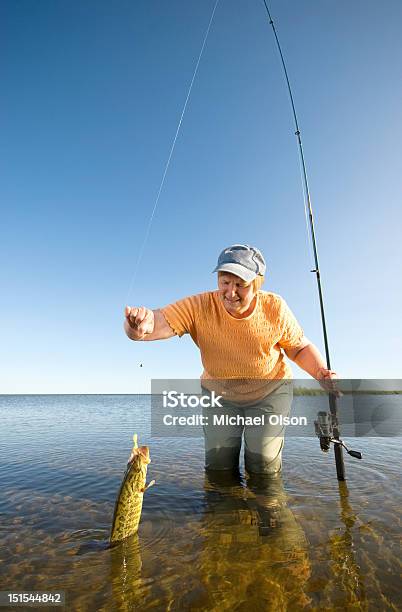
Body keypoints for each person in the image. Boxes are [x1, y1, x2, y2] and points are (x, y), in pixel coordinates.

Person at [125, 244, 337, 474]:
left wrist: (320, 373)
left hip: (270, 393)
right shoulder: (199, 306)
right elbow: (158, 322)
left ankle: (265, 506)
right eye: (225, 282)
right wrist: (138, 328)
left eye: (240, 285)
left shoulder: (275, 307)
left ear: (257, 283)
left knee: (263, 465)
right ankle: (220, 507)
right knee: (219, 466)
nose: (230, 292)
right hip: (220, 396)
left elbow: (298, 348)